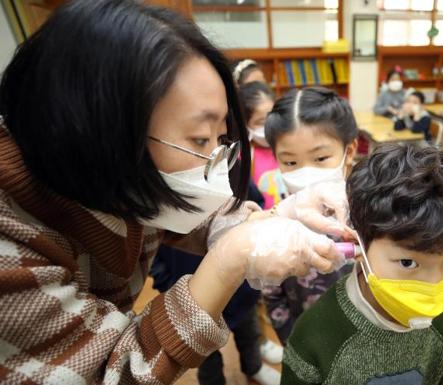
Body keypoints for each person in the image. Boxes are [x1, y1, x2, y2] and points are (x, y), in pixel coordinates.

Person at [0, 1, 351, 383]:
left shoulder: (122, 181)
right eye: (200, 139)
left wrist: (280, 215)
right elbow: (107, 372)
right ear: (102, 130)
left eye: (220, 138)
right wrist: (229, 258)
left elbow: (204, 211)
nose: (215, 163)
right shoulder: (11, 249)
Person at [280, 144, 443, 385]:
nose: (432, 284)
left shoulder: (441, 327)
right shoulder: (316, 334)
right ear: (358, 243)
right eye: (408, 262)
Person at [261, 86, 358, 344]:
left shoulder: (367, 212)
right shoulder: (278, 220)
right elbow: (271, 291)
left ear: (349, 152)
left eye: (320, 158)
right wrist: (293, 341)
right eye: (290, 162)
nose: (306, 173)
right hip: (304, 337)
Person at [240, 81, 283, 209]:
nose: (269, 126)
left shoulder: (289, 146)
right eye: (260, 122)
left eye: (272, 117)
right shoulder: (243, 158)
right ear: (246, 125)